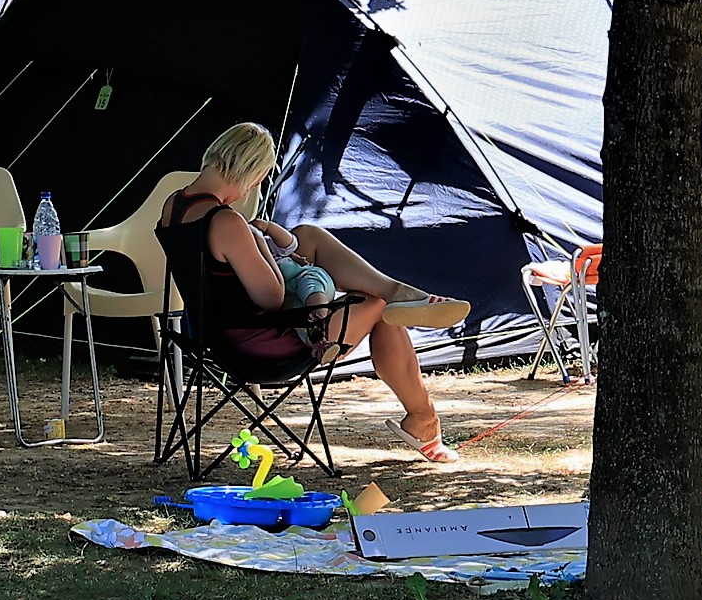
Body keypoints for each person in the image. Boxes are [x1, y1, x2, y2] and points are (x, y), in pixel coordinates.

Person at [159, 122, 469, 464]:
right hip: (262, 345)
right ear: (250, 172)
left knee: (307, 235)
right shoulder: (226, 222)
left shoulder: (174, 205)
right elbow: (272, 298)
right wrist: (265, 250)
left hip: (212, 332)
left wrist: (276, 252)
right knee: (378, 308)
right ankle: (423, 419)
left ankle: (401, 293)